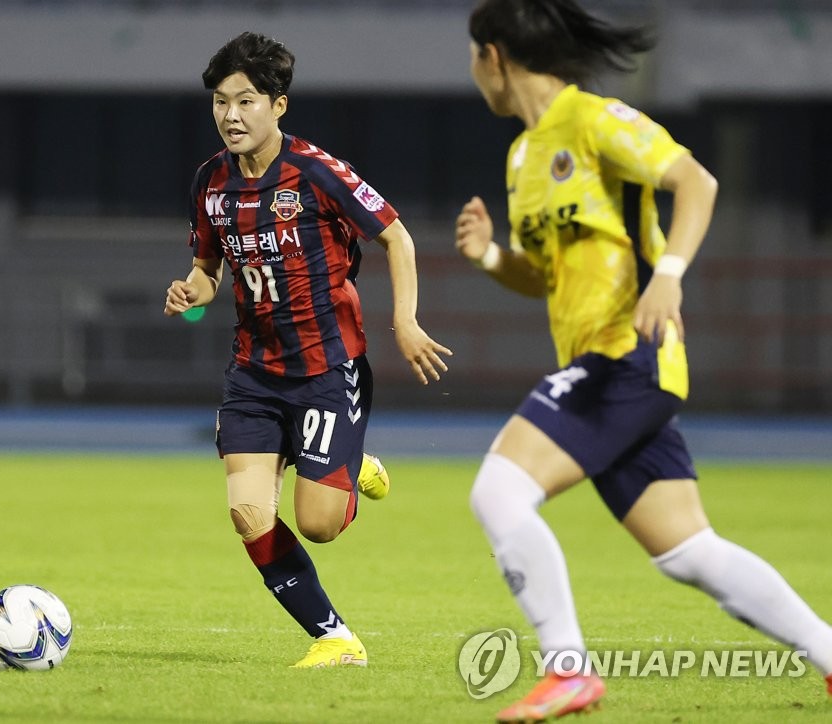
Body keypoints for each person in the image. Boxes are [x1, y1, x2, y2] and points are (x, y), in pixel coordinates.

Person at [455, 0, 832, 720]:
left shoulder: (597, 121)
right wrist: (492, 256)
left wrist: (670, 273)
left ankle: (568, 669)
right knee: (689, 551)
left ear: (495, 56)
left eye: (474, 57)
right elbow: (544, 275)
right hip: (605, 367)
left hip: (629, 351)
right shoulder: (525, 156)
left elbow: (697, 183)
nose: (473, 73)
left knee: (498, 492)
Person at [164, 31, 451, 668]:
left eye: (245, 101)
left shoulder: (317, 172)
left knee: (319, 521)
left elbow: (396, 236)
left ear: (278, 105)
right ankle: (335, 639)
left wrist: (404, 321)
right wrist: (193, 290)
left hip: (327, 368)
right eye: (219, 102)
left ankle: (348, 465)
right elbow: (208, 269)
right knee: (247, 513)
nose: (230, 115)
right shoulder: (210, 183)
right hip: (253, 373)